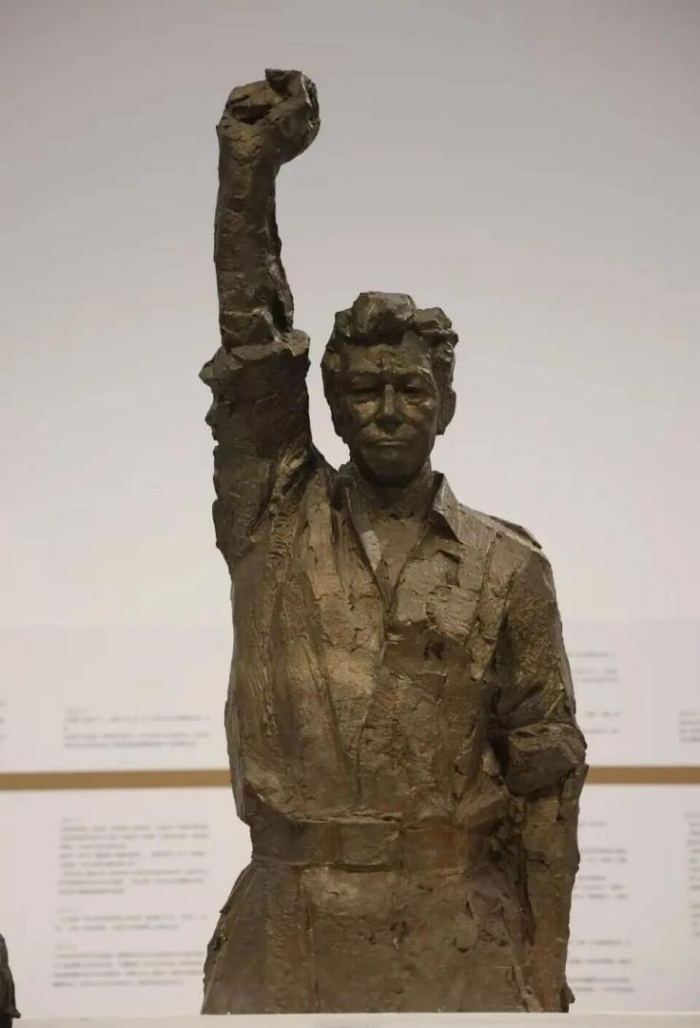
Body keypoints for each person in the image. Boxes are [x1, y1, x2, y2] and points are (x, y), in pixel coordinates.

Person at [200, 69, 586, 1013]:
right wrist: (248, 179)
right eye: (364, 390)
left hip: (459, 928)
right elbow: (253, 348)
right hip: (288, 928)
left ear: (446, 404)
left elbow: (546, 780)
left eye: (411, 390)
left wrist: (545, 973)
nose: (387, 411)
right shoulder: (272, 516)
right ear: (331, 405)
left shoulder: (509, 567)